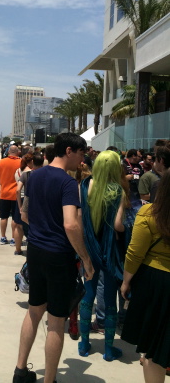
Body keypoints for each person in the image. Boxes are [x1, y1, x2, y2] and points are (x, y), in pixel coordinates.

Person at [12, 133, 94, 383]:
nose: (82, 161)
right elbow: (71, 225)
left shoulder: (34, 176)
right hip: (59, 255)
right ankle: (49, 380)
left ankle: (20, 370)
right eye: (81, 155)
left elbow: (24, 214)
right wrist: (86, 260)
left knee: (34, 311)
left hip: (36, 251)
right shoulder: (68, 184)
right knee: (56, 321)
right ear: (69, 151)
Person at [120, 169, 170, 383]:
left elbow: (135, 252)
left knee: (152, 352)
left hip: (156, 283)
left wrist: (126, 281)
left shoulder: (150, 213)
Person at [78, 151, 128, 361]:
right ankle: (108, 350)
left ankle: (84, 344)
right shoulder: (118, 191)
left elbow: (80, 218)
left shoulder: (84, 185)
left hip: (89, 248)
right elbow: (118, 225)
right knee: (109, 300)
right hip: (109, 251)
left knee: (88, 296)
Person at [0, 144, 21, 250]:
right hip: (16, 194)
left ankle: (3, 237)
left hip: (4, 193)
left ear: (9, 151)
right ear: (18, 152)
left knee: (3, 216)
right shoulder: (21, 162)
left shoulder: (2, 162)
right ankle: (14, 238)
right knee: (15, 217)